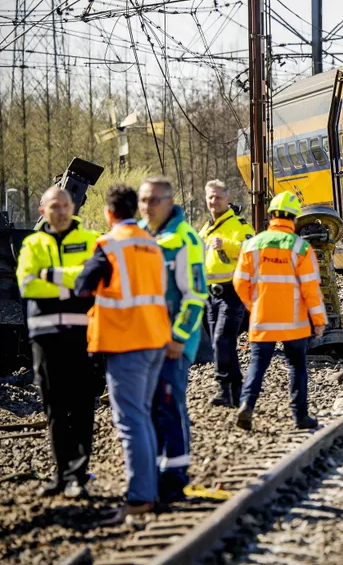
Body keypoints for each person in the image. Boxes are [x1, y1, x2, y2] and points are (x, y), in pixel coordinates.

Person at [75, 184, 172, 522]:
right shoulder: (151, 245)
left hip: (126, 342)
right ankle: (149, 491)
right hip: (155, 339)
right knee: (143, 417)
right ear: (133, 211)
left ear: (109, 213)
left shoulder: (109, 244)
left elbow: (81, 288)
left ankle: (139, 497)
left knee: (130, 422)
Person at [15, 187, 100, 498]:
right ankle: (61, 475)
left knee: (81, 406)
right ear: (43, 211)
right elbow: (27, 284)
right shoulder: (32, 243)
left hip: (82, 335)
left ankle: (78, 476)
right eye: (55, 206)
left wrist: (49, 275)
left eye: (66, 205)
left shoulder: (91, 241)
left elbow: (92, 280)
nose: (61, 211)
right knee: (54, 406)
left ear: (73, 206)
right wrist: (70, 284)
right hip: (46, 337)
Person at [138, 176, 207, 503]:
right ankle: (154, 473)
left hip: (172, 341)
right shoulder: (139, 234)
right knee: (148, 409)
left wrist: (179, 337)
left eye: (153, 200)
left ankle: (176, 477)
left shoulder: (184, 238)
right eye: (143, 200)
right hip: (143, 339)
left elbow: (194, 294)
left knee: (168, 406)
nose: (147, 206)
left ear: (169, 201)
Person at [233, 192, 326, 431]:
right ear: (294, 219)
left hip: (262, 319)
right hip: (294, 323)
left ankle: (246, 405)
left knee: (257, 364)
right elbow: (311, 289)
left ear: (271, 216)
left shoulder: (252, 244)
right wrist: (318, 321)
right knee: (297, 366)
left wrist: (254, 306)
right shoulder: (301, 248)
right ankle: (300, 416)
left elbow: (240, 282)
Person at [197, 180, 254, 407]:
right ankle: (232, 391)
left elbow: (254, 251)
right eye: (210, 197)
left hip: (233, 292)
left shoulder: (238, 225)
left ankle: (228, 388)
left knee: (222, 340)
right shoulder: (206, 228)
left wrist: (228, 245)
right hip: (210, 295)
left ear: (228, 199)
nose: (214, 201)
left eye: (218, 197)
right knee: (221, 344)